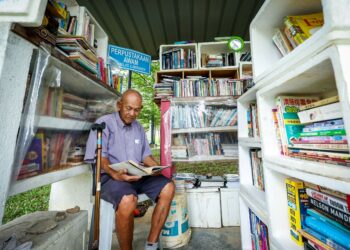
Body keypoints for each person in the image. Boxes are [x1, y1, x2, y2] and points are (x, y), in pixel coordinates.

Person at [84, 89, 175, 250]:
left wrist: (155, 167)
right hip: (110, 177)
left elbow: (146, 156)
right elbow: (101, 158)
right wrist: (114, 173)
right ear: (120, 105)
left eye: (137, 109)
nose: (133, 113)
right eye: (129, 108)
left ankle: (151, 244)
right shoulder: (104, 124)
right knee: (128, 200)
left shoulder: (139, 127)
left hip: (137, 175)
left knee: (168, 187)